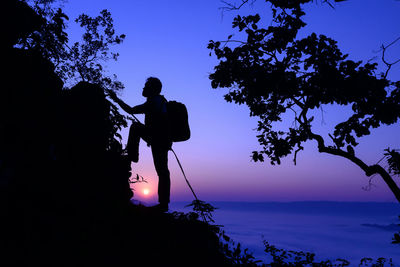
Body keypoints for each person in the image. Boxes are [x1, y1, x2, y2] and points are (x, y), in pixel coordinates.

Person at [108, 77, 171, 212]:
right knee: (163, 171)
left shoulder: (154, 102)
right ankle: (164, 204)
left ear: (152, 89)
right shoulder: (158, 101)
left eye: (146, 86)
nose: (143, 89)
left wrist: (116, 99)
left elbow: (131, 110)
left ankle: (132, 155)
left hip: (159, 140)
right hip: (160, 140)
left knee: (162, 171)